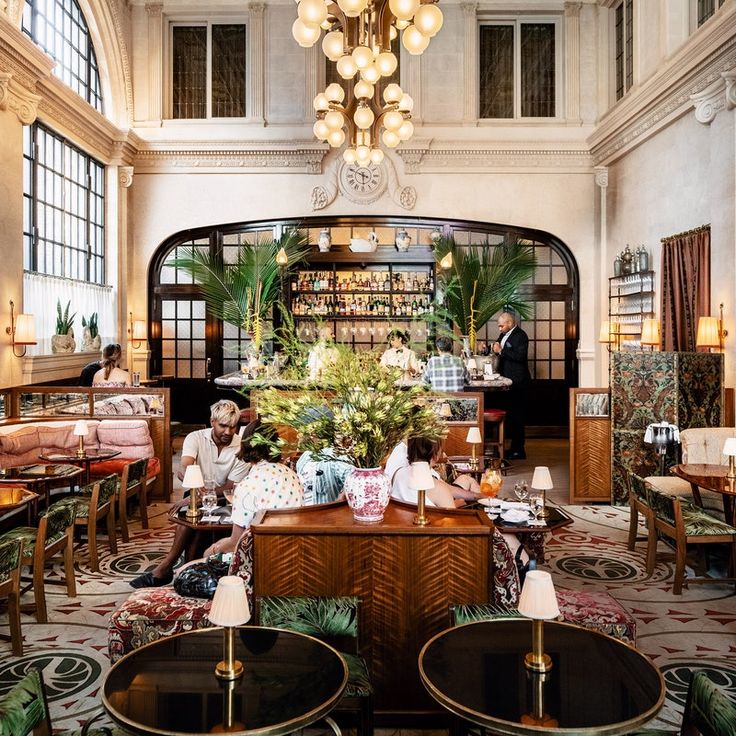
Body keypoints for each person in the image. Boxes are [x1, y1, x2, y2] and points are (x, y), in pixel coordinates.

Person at [130, 399, 249, 588]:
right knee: (189, 516)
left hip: (226, 496)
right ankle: (175, 568)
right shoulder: (195, 437)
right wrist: (193, 489)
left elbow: (229, 487)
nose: (228, 432)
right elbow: (186, 464)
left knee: (192, 511)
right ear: (212, 421)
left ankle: (169, 569)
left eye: (233, 427)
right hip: (195, 489)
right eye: (223, 426)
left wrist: (202, 497)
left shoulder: (242, 447)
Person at [204, 422, 303, 557]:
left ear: (246, 444)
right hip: (293, 551)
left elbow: (235, 543)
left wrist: (212, 550)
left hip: (261, 556)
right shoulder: (291, 474)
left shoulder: (247, 486)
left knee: (202, 557)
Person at [390, 436, 480, 505]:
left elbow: (447, 488)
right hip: (434, 523)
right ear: (435, 454)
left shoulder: (398, 473)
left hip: (406, 521)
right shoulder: (439, 490)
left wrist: (476, 496)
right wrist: (459, 503)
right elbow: (451, 523)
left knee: (465, 479)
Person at [492, 311, 531, 460]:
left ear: (509, 323)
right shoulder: (504, 335)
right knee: (511, 416)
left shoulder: (521, 336)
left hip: (518, 381)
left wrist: (501, 350)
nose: (500, 328)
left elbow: (520, 357)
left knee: (518, 416)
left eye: (501, 325)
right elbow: (498, 350)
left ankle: (519, 450)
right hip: (507, 381)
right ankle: (509, 447)